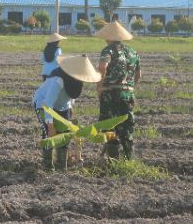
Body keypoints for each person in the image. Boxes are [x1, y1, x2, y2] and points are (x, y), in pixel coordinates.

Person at [33, 54, 101, 171]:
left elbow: (71, 95)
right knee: (49, 135)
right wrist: (50, 125)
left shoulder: (76, 81)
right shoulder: (58, 80)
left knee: (64, 136)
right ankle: (48, 167)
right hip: (43, 104)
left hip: (62, 107)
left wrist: (69, 107)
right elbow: (48, 102)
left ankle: (61, 167)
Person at [95, 20, 141, 160]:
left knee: (109, 127)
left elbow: (103, 66)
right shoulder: (133, 52)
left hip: (111, 93)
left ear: (108, 37)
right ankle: (129, 160)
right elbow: (139, 74)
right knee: (127, 128)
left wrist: (100, 86)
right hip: (128, 94)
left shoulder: (108, 50)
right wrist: (130, 87)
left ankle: (113, 161)